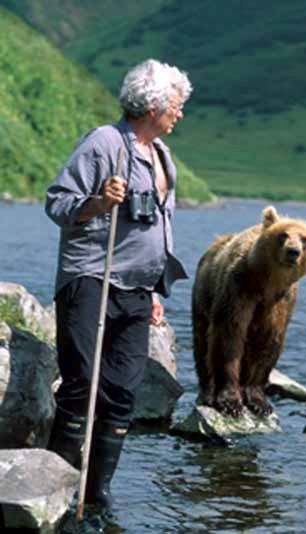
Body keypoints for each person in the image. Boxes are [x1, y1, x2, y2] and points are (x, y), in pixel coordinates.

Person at [45, 59, 192, 508]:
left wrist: (153, 287)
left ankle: (97, 494)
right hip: (91, 277)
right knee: (82, 382)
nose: (180, 113)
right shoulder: (105, 143)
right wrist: (97, 202)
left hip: (137, 291)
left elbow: (157, 231)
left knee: (122, 391)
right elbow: (57, 203)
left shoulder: (163, 157)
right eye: (176, 104)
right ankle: (53, 491)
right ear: (153, 104)